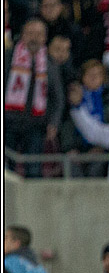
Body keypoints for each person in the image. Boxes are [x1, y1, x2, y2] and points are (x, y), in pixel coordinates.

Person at [4, 18, 65, 178]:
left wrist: (54, 123)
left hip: (35, 125)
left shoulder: (50, 64)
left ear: (44, 38)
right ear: (23, 35)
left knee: (34, 171)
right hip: (8, 122)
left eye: (38, 34)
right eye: (30, 33)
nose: (34, 38)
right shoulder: (8, 58)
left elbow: (57, 97)